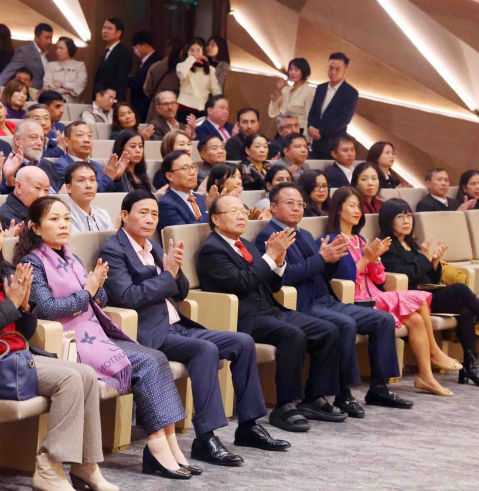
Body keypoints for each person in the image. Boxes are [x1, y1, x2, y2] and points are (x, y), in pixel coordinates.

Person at [0, 204, 115, 490]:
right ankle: (49, 467)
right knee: (70, 379)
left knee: (87, 375)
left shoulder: (5, 270)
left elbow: (26, 331)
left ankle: (86, 465)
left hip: (18, 355)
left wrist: (26, 306)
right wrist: (11, 304)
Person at [102, 190, 290, 466]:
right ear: (124, 215)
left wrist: (176, 272)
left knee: (242, 342)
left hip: (178, 324)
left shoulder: (153, 246)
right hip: (150, 332)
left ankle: (248, 426)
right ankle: (205, 438)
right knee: (205, 349)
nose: (150, 219)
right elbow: (126, 296)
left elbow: (181, 292)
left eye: (154, 214)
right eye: (143, 213)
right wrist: (167, 275)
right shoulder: (114, 249)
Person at [18, 196, 197, 481]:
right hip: (67, 342)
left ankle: (169, 443)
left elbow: (98, 300)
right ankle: (157, 446)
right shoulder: (33, 262)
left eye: (66, 219)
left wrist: (97, 287)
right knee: (149, 361)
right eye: (54, 219)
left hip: (94, 334)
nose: (63, 225)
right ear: (36, 228)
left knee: (156, 358)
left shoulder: (71, 257)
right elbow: (47, 310)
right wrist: (88, 291)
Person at [256, 184, 412, 416]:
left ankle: (379, 387)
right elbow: (284, 276)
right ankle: (343, 393)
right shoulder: (268, 237)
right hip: (303, 304)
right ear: (273, 207)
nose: (296, 208)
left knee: (383, 319)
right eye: (289, 203)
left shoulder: (304, 234)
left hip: (327, 299)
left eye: (300, 204)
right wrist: (321, 258)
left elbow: (321, 271)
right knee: (345, 325)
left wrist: (332, 260)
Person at [197, 195, 343, 432]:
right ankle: (284, 406)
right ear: (215, 219)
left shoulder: (246, 244)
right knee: (292, 335)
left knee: (328, 330)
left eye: (243, 212)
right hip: (244, 317)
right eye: (233, 212)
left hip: (270, 309)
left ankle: (313, 398)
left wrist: (279, 262)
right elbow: (242, 283)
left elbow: (272, 286)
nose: (241, 217)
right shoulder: (212, 250)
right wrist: (268, 257)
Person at [325, 187, 459, 396]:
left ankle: (426, 377)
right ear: (338, 209)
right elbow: (346, 280)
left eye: (359, 206)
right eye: (352, 206)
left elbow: (379, 279)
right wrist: (367, 258)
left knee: (416, 319)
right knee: (418, 298)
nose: (357, 210)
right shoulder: (333, 241)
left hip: (375, 294)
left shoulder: (360, 240)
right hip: (357, 299)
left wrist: (375, 259)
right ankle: (434, 350)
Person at [380, 198, 479, 386]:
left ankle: (471, 366)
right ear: (388, 220)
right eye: (400, 217)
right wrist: (425, 257)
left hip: (426, 295)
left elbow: (429, 278)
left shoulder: (412, 244)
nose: (406, 221)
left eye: (409, 216)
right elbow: (405, 277)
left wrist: (434, 262)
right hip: (410, 302)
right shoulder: (388, 247)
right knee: (460, 290)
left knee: (466, 312)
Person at [307, 53, 359, 159]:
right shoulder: (321, 88)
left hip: (335, 143)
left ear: (345, 70)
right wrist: (310, 127)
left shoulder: (351, 92)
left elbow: (344, 120)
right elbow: (313, 112)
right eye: (331, 68)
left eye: (337, 69)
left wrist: (321, 132)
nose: (333, 72)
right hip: (316, 143)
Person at [55, 121, 126, 193]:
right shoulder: (61, 165)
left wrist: (116, 179)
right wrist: (108, 178)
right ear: (66, 141)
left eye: (89, 136)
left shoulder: (99, 167)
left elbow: (116, 195)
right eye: (80, 135)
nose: (87, 140)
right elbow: (84, 192)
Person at [156, 151, 208, 236]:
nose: (193, 172)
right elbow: (183, 235)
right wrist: (209, 211)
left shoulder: (202, 199)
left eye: (193, 167)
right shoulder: (165, 204)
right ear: (170, 176)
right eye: (185, 168)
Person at [7, 118, 61, 192]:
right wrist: (9, 177)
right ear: (17, 140)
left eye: (42, 139)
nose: (39, 143)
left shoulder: (48, 165)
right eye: (33, 137)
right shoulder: (6, 166)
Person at [176, 37, 221, 123]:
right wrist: (192, 59)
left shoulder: (210, 69)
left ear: (203, 52)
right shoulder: (182, 66)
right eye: (192, 50)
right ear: (187, 52)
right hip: (185, 108)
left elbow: (215, 90)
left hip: (202, 109)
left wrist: (218, 106)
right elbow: (181, 73)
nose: (195, 53)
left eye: (198, 50)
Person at [0, 23, 53, 89]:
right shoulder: (24, 51)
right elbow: (9, 71)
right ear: (37, 37)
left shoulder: (47, 55)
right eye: (46, 38)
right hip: (29, 91)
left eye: (51, 38)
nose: (49, 41)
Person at [268, 58, 315, 134]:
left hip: (299, 130)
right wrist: (277, 94)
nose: (292, 72)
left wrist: (306, 137)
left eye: (296, 70)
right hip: (284, 129)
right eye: (291, 69)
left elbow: (309, 118)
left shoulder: (309, 91)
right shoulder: (285, 90)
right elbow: (272, 113)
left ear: (304, 71)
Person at [64, 161, 113, 232]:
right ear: (68, 188)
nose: (89, 186)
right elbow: (78, 239)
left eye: (92, 180)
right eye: (81, 180)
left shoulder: (103, 214)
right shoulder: (64, 216)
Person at [144, 39, 182, 124]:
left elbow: (147, 89)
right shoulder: (184, 69)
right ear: (182, 52)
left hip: (158, 104)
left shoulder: (156, 66)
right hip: (178, 107)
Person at [94, 17, 132, 101]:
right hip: (100, 99)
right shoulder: (107, 50)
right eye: (104, 28)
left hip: (111, 101)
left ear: (118, 33)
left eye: (109, 29)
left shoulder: (124, 53)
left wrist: (114, 102)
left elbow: (122, 83)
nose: (105, 31)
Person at [42, 36, 87, 103]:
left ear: (69, 49)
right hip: (53, 102)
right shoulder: (51, 65)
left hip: (73, 104)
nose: (58, 51)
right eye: (57, 48)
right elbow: (47, 85)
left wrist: (62, 85)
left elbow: (79, 86)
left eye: (61, 48)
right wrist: (65, 90)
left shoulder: (79, 66)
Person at [130, 31, 160, 121]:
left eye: (136, 48)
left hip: (145, 103)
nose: (135, 51)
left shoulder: (155, 61)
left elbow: (142, 82)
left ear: (145, 45)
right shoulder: (145, 61)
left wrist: (128, 79)